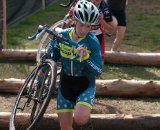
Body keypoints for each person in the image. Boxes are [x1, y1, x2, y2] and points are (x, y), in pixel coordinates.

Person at [39, 1, 102, 130]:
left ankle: (87, 125)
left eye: (88, 26)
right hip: (65, 83)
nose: (84, 30)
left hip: (85, 84)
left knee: (80, 119)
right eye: (81, 25)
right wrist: (40, 78)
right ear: (74, 20)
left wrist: (86, 58)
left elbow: (98, 71)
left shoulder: (93, 42)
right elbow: (51, 59)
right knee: (65, 127)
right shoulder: (62, 36)